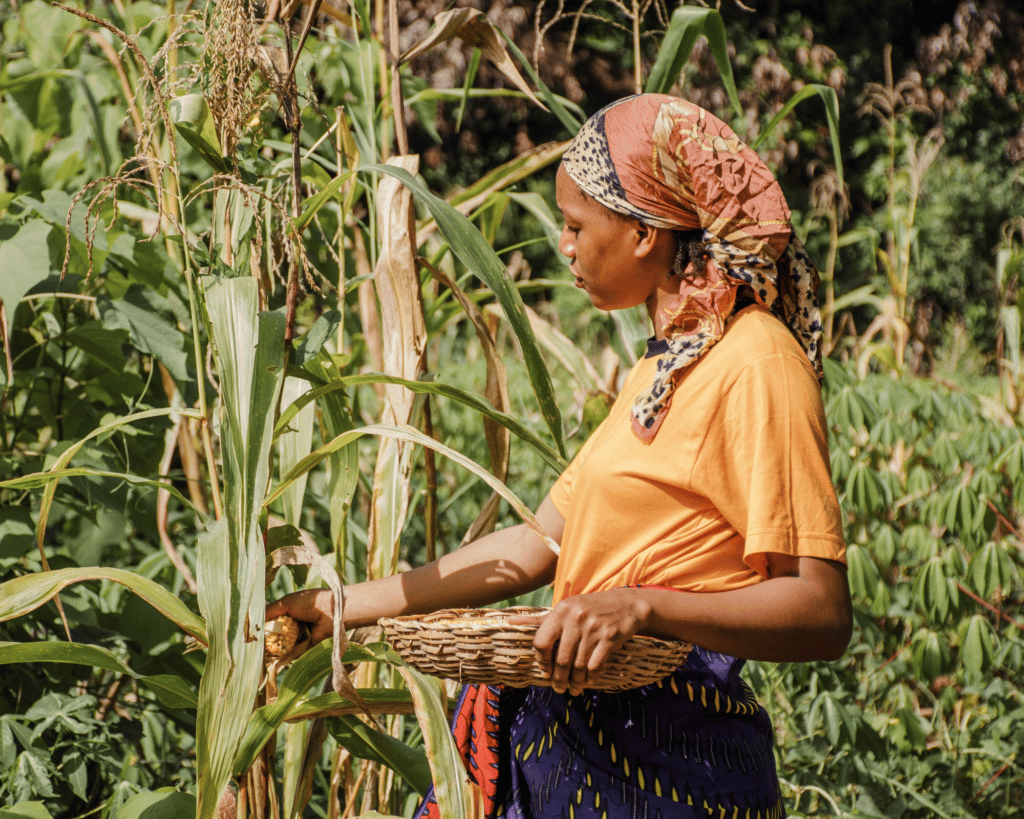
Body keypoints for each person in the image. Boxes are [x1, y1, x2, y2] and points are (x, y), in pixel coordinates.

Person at [267, 93, 852, 819]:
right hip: (573, 747)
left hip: (672, 760)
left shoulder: (758, 360)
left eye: (576, 225)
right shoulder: (661, 369)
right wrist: (344, 606)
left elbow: (822, 609)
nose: (564, 246)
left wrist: (642, 607)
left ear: (642, 231)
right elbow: (540, 542)